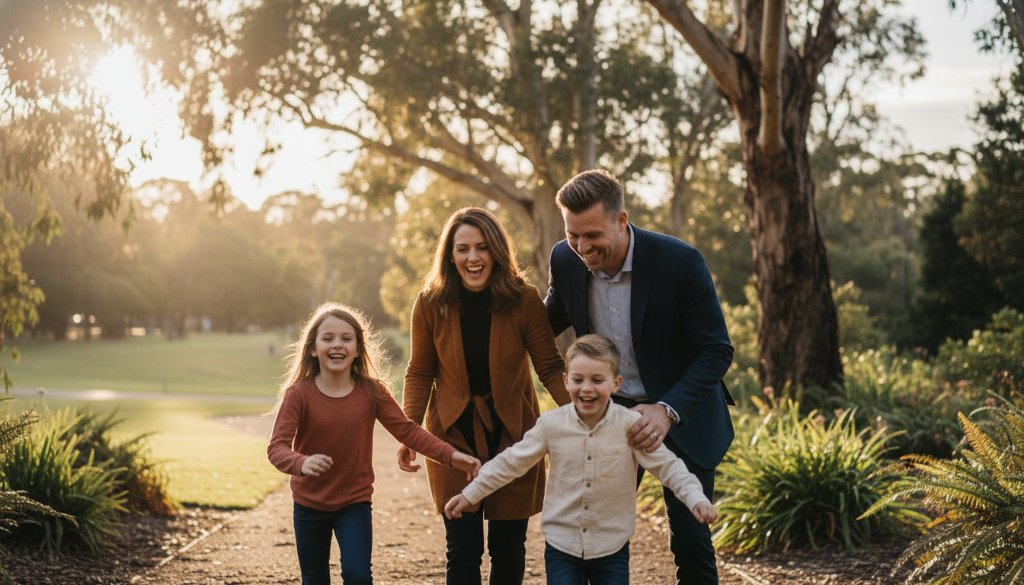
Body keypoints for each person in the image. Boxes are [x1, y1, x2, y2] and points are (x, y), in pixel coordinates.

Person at [544, 169, 734, 584]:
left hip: (682, 413)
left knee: (690, 541)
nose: (582, 247)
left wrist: (666, 410)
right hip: (609, 416)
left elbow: (716, 349)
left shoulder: (680, 262)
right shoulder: (564, 259)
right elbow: (542, 325)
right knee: (592, 537)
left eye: (592, 235)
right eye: (573, 235)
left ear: (621, 220)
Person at [445, 334, 717, 585]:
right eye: (578, 380)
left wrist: (696, 498)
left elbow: (669, 467)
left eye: (597, 380)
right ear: (566, 381)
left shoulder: (630, 426)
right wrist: (470, 494)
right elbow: (511, 462)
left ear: (616, 383)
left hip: (612, 547)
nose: (586, 388)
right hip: (562, 546)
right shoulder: (552, 425)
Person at [398, 207, 572, 585]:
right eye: (462, 249)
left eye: (482, 247)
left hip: (515, 437)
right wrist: (409, 431)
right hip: (451, 437)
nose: (472, 257)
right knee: (462, 550)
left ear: (497, 251)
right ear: (450, 255)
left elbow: (549, 367)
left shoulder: (524, 299)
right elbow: (420, 372)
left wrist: (588, 418)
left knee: (508, 550)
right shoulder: (430, 302)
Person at [268, 303, 481, 585]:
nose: (337, 344)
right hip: (309, 504)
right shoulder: (299, 394)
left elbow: (408, 431)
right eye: (328, 338)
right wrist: (301, 462)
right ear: (313, 348)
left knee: (358, 574)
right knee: (314, 578)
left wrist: (452, 456)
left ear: (357, 349)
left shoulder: (371, 391)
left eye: (346, 338)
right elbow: (277, 448)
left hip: (354, 503)